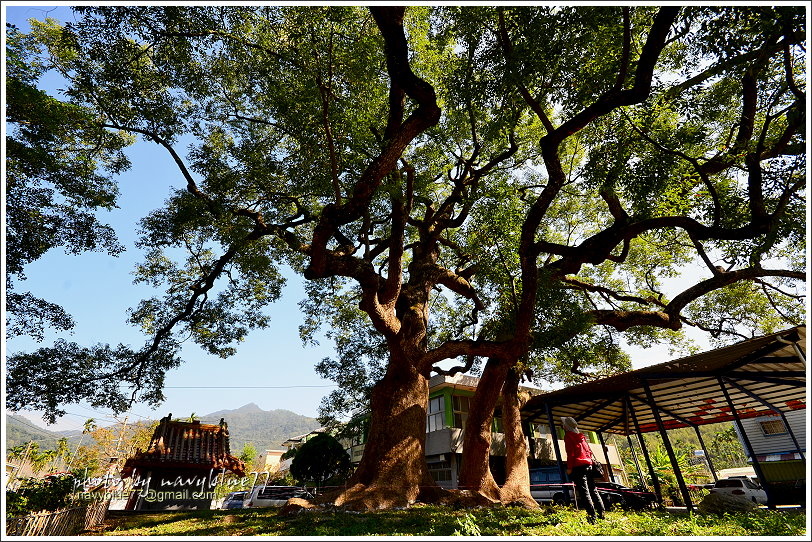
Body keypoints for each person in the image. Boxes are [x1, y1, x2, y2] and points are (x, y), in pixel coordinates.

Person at [562, 416, 605, 523]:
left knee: (584, 492)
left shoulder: (568, 436)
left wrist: (569, 468)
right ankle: (601, 513)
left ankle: (592, 516)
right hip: (589, 465)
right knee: (593, 490)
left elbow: (571, 454)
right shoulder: (582, 437)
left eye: (563, 424)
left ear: (566, 426)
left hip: (578, 467)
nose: (562, 426)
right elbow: (589, 452)